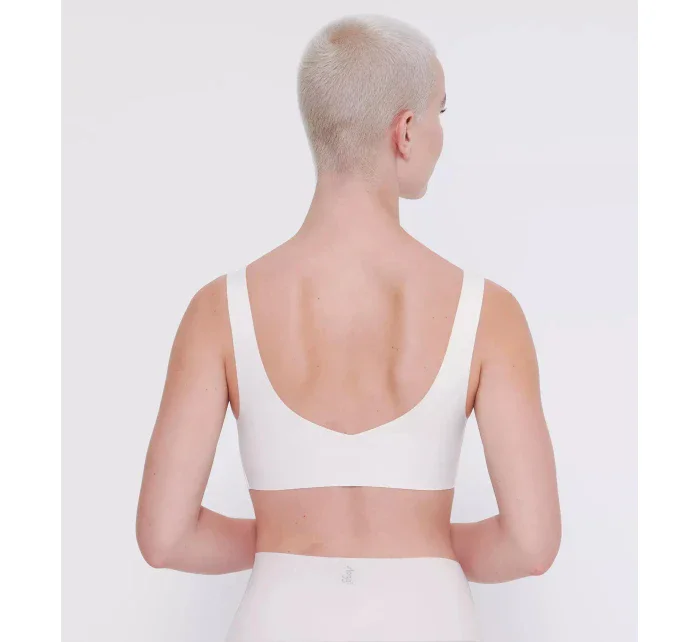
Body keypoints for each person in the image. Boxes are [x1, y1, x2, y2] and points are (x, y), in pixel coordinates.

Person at [136, 13, 561, 642]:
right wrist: (420, 539)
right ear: (405, 132)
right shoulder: (488, 313)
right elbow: (531, 544)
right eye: (441, 111)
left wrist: (284, 539)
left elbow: (165, 537)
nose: (442, 132)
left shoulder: (218, 310)